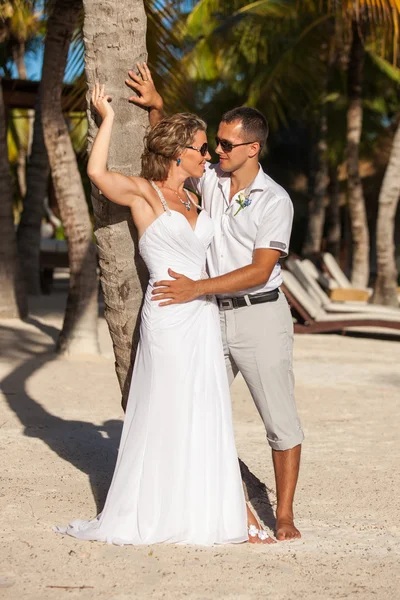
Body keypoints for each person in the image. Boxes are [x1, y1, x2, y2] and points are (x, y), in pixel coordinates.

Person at [55, 80, 273, 545]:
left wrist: (157, 105)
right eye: (200, 148)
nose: (209, 154)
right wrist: (108, 119)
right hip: (168, 315)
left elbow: (174, 138)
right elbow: (97, 173)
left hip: (202, 314)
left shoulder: (197, 193)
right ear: (179, 155)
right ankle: (162, 509)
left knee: (206, 408)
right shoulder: (146, 195)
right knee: (170, 408)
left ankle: (222, 510)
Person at [126, 64, 304, 541]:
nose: (216, 151)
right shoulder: (210, 181)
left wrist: (195, 289)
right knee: (195, 406)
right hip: (206, 321)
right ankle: (210, 502)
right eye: (215, 144)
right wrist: (158, 107)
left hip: (259, 316)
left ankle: (283, 514)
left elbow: (260, 270)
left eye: (225, 145)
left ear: (252, 148)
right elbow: (178, 155)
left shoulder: (275, 201)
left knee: (278, 420)